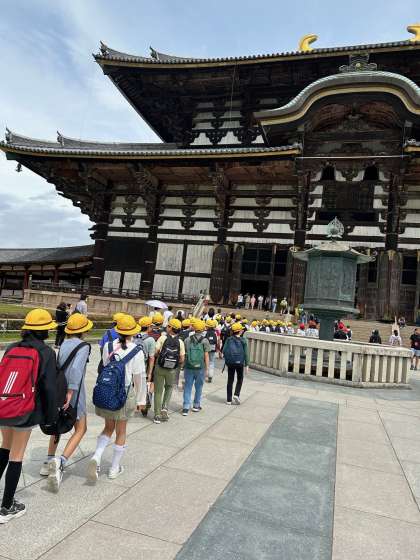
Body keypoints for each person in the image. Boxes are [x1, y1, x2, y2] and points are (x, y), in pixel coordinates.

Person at [0, 308, 57, 523]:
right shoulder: (46, 352)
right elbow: (49, 388)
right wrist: (50, 417)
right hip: (24, 409)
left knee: (4, 447)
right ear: (44, 331)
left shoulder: (12, 347)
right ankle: (6, 507)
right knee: (17, 455)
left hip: (4, 404)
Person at [88, 314, 146, 483]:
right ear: (133, 332)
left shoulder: (108, 346)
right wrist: (141, 400)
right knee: (121, 431)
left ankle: (97, 455)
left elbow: (106, 365)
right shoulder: (137, 350)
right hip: (124, 394)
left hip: (108, 392)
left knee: (108, 427)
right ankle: (114, 468)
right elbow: (139, 378)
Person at [42, 313, 92, 492]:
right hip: (74, 391)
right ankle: (60, 462)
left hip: (60, 388)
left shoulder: (64, 343)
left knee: (58, 424)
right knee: (81, 429)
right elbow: (77, 369)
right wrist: (71, 392)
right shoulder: (84, 346)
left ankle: (48, 461)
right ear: (83, 330)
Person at [153, 318, 184, 424]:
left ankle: (157, 415)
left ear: (170, 328)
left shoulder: (162, 338)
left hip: (160, 367)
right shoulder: (180, 342)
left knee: (158, 391)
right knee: (169, 387)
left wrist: (160, 357)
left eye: (168, 326)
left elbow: (156, 352)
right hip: (172, 369)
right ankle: (165, 408)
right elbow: (182, 359)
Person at [182, 320, 210, 415]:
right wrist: (207, 369)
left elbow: (184, 353)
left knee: (188, 386)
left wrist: (182, 365)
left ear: (194, 328)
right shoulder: (205, 341)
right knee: (199, 387)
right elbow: (206, 355)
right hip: (200, 367)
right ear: (203, 329)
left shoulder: (187, 340)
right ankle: (196, 405)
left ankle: (186, 407)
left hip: (188, 366)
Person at [222, 322, 249, 405]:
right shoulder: (243, 340)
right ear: (240, 331)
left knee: (230, 380)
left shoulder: (228, 339)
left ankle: (228, 400)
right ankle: (236, 394)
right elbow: (246, 353)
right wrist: (247, 365)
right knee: (240, 379)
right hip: (240, 363)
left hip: (231, 362)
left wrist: (227, 360)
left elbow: (224, 350)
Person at [135, 316, 157, 417]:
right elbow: (151, 357)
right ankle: (143, 407)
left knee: (133, 386)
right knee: (143, 387)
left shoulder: (134, 336)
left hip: (132, 366)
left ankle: (134, 406)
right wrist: (150, 372)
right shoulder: (150, 339)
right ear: (148, 327)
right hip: (143, 366)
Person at [205, 318, 219, 383]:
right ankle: (210, 375)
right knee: (211, 362)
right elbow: (218, 341)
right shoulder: (216, 332)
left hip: (206, 348)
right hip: (213, 348)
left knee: (205, 361)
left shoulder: (205, 332)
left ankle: (205, 375)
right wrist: (218, 348)